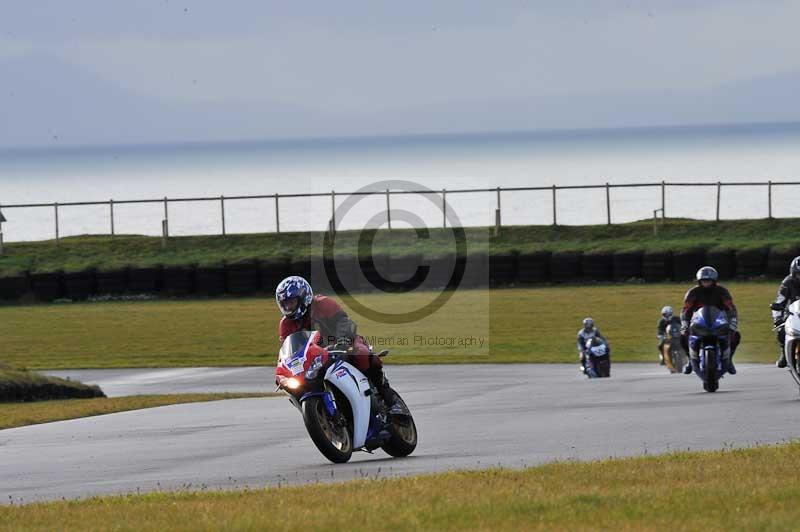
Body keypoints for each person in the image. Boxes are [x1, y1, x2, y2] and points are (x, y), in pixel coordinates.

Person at [275, 275, 401, 412]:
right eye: (284, 304)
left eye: (291, 302)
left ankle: (389, 398)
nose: (288, 307)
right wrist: (283, 371)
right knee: (294, 386)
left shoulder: (323, 303)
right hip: (316, 358)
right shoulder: (286, 324)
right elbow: (289, 350)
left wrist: (343, 341)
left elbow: (345, 323)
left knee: (361, 354)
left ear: (303, 297)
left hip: (343, 343)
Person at [680, 266, 740, 375]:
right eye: (704, 281)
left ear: (714, 281)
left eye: (708, 281)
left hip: (719, 321)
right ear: (699, 281)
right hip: (698, 322)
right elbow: (686, 310)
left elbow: (730, 307)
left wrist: (733, 321)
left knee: (735, 335)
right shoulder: (693, 292)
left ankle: (729, 359)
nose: (706, 283)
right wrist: (684, 323)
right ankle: (690, 359)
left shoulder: (722, 291)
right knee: (683, 335)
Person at [772, 256, 800, 368]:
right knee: (781, 330)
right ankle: (784, 353)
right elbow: (779, 301)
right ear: (793, 273)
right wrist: (777, 318)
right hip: (794, 314)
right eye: (799, 274)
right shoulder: (787, 283)